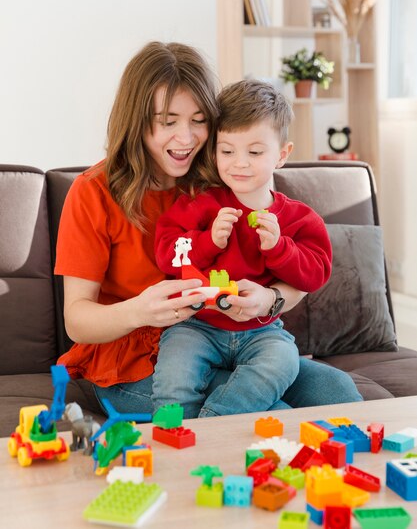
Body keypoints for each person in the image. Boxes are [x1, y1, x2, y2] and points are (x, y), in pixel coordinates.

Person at [55, 40, 362, 416]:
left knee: (337, 389)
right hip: (134, 358)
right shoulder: (93, 192)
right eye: (167, 122)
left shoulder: (226, 176)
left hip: (231, 337)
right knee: (271, 410)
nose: (186, 139)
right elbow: (77, 320)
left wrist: (269, 300)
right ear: (136, 122)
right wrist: (140, 311)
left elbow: (293, 272)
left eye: (198, 121)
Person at [153, 80, 332, 418]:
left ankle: (213, 424)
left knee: (283, 362)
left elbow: (316, 272)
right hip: (197, 325)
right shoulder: (202, 205)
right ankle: (167, 437)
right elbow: (167, 254)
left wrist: (279, 248)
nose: (240, 163)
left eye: (254, 151)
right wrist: (207, 242)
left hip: (262, 330)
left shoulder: (297, 218)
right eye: (227, 151)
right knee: (174, 374)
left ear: (281, 155)